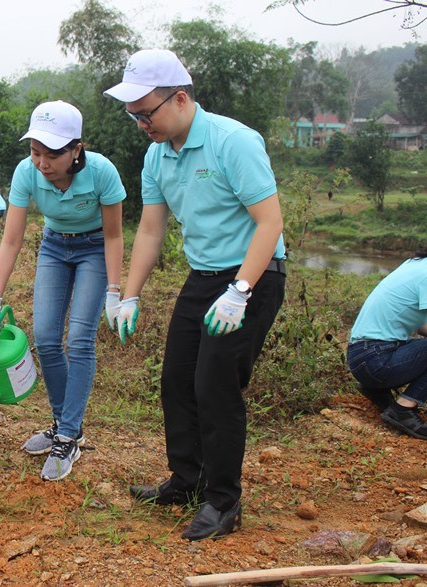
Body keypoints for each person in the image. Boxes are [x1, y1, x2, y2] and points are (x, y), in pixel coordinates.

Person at [104, 49, 286, 541]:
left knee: (215, 386)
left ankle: (224, 502)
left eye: (147, 112)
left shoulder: (233, 142)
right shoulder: (156, 154)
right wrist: (128, 294)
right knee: (176, 379)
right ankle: (187, 481)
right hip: (203, 277)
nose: (141, 123)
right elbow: (149, 230)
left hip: (253, 275)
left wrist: (240, 292)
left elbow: (269, 223)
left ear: (179, 98)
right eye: (133, 115)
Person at [0, 100, 125, 482]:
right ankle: (64, 425)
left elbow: (113, 235)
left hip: (94, 248)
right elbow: (11, 240)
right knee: (45, 338)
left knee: (79, 339)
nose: (42, 163)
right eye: (35, 152)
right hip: (53, 247)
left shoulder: (101, 173)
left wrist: (114, 291)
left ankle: (68, 434)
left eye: (52, 154)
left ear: (76, 149)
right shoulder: (26, 173)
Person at [347, 250, 427, 439]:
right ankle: (403, 410)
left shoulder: (415, 264)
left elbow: (421, 327)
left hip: (362, 356)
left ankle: (377, 389)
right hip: (375, 359)